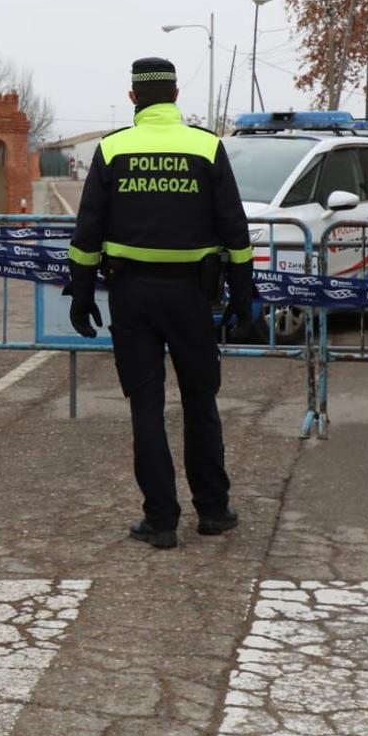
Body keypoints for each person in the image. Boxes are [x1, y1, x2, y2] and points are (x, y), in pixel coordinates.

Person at [67, 57, 255, 550]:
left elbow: (88, 232)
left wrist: (82, 292)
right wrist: (244, 290)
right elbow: (235, 229)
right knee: (200, 400)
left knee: (146, 407)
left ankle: (161, 521)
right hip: (192, 295)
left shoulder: (112, 150)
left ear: (133, 98)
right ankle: (213, 511)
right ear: (175, 95)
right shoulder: (206, 146)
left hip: (132, 296)